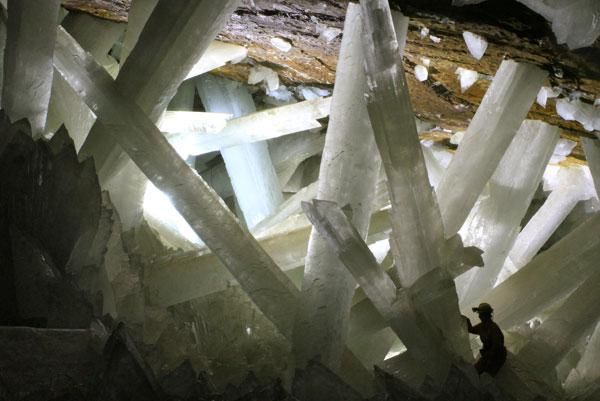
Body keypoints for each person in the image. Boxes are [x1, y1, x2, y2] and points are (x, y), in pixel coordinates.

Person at [463, 302, 507, 376]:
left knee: (483, 374)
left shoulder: (493, 328)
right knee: (475, 372)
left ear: (486, 315)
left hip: (497, 357)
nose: (479, 316)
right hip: (488, 355)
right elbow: (471, 330)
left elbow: (497, 345)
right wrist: (466, 320)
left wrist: (487, 358)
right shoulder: (482, 326)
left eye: (481, 314)